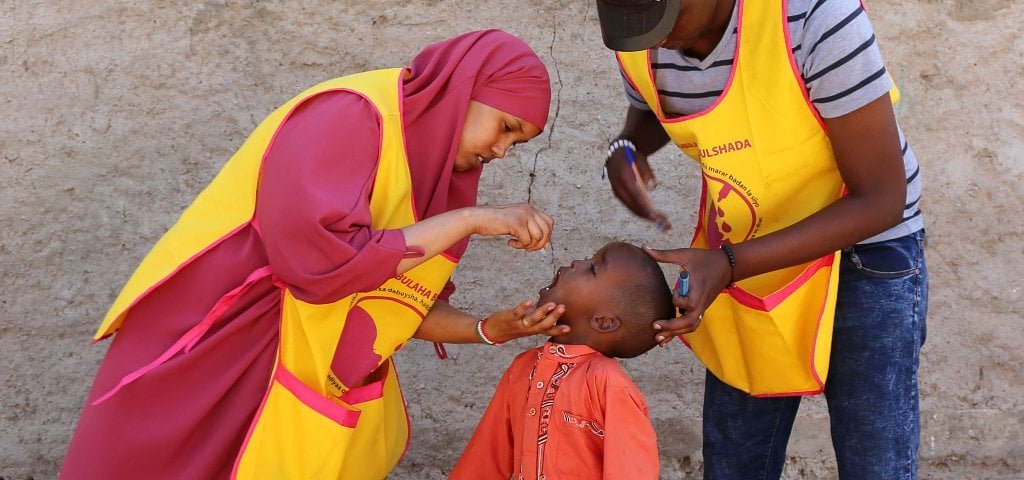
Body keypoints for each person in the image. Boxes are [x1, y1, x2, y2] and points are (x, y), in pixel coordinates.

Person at [60, 29, 572, 480]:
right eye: (505, 126)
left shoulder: (436, 180)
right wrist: (467, 220)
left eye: (518, 143)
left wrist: (490, 329)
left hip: (296, 369)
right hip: (217, 346)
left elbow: (395, 303)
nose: (502, 151)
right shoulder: (351, 114)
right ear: (461, 90)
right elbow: (324, 268)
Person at [593, 1, 928, 479]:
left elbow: (881, 199)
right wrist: (626, 146)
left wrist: (729, 264)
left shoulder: (814, 16)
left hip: (863, 254)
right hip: (748, 254)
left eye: (667, 24)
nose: (657, 42)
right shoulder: (640, 27)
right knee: (734, 462)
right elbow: (652, 104)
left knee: (875, 462)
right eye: (639, 29)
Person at [450, 242, 674, 480]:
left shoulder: (608, 384)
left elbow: (631, 472)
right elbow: (487, 456)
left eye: (592, 269)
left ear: (604, 321)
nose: (577, 262)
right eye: (589, 257)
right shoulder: (523, 367)